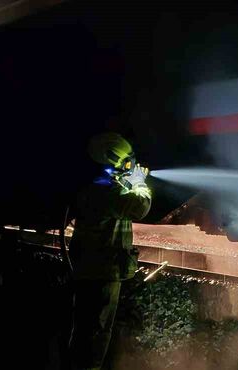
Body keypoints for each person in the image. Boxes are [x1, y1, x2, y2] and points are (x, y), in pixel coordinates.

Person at [68, 132, 152, 370]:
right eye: (126, 162)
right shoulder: (107, 193)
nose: (129, 166)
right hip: (103, 271)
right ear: (113, 161)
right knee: (97, 332)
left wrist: (126, 181)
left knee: (83, 328)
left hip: (88, 268)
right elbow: (140, 207)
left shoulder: (93, 189)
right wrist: (138, 181)